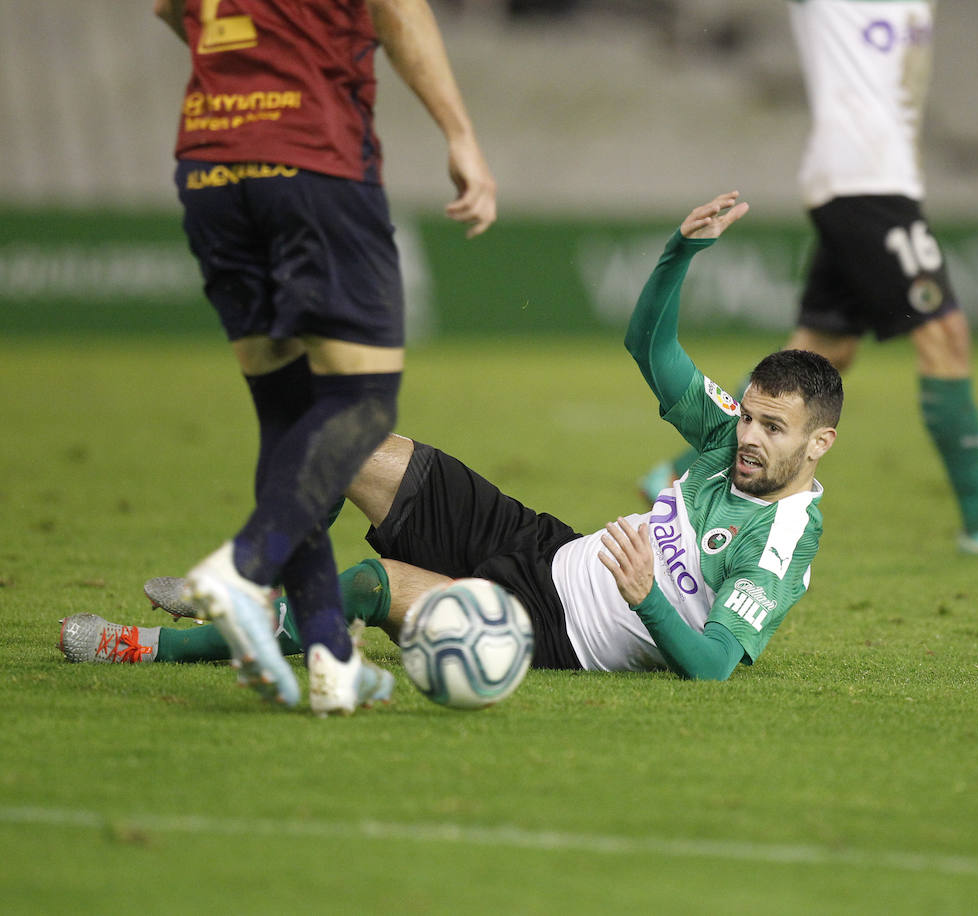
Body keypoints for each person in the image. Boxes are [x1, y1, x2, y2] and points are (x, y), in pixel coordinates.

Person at [60, 193, 844, 682]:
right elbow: (649, 348)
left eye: (773, 428)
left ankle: (147, 647)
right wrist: (681, 251)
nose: (747, 435)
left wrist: (647, 598)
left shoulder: (779, 545)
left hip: (548, 626)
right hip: (539, 544)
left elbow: (710, 669)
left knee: (372, 585)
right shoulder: (726, 437)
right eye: (746, 414)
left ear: (819, 445)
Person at [153, 0, 497, 714]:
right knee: (363, 401)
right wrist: (459, 134)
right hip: (313, 158)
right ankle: (245, 570)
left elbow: (167, 5)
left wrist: (241, 71)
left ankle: (329, 657)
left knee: (287, 415)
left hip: (212, 165)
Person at [640, 0, 978, 563]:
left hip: (878, 178)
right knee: (946, 334)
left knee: (824, 352)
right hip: (862, 182)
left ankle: (675, 472)